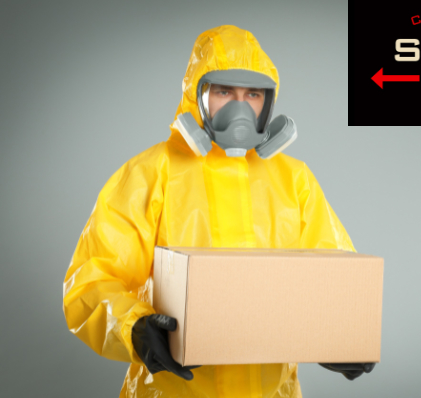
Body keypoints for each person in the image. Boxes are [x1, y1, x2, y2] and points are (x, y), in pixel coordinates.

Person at [63, 25, 375, 398]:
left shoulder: (295, 181)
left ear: (268, 103)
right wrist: (135, 327)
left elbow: (333, 278)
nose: (240, 108)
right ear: (197, 95)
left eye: (253, 94)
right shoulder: (151, 174)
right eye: (224, 91)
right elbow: (92, 281)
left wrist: (345, 331)